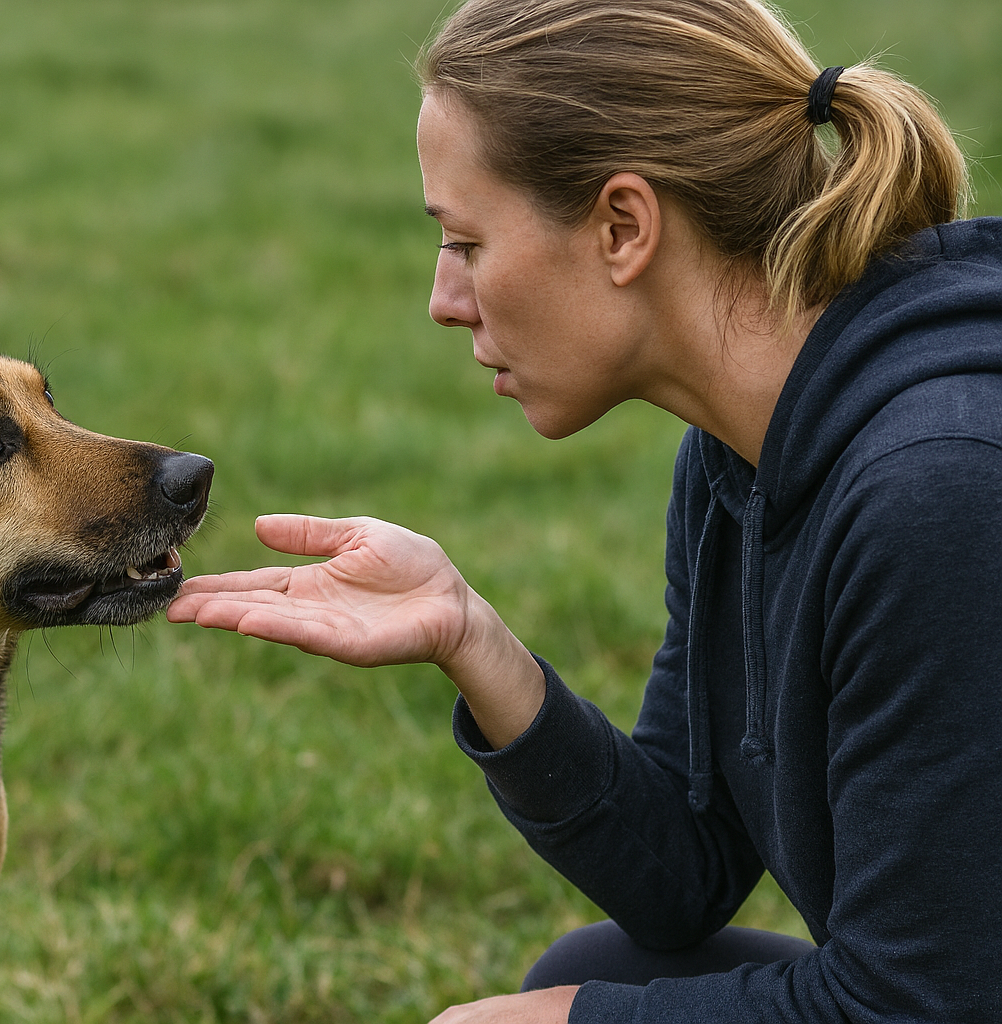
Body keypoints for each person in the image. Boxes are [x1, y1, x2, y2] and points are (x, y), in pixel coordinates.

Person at [167, 0, 1002, 1020]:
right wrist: (472, 639)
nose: (444, 297)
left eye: (466, 242)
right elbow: (684, 873)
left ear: (623, 226)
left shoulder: (944, 486)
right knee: (595, 969)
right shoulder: (740, 457)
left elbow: (929, 1004)